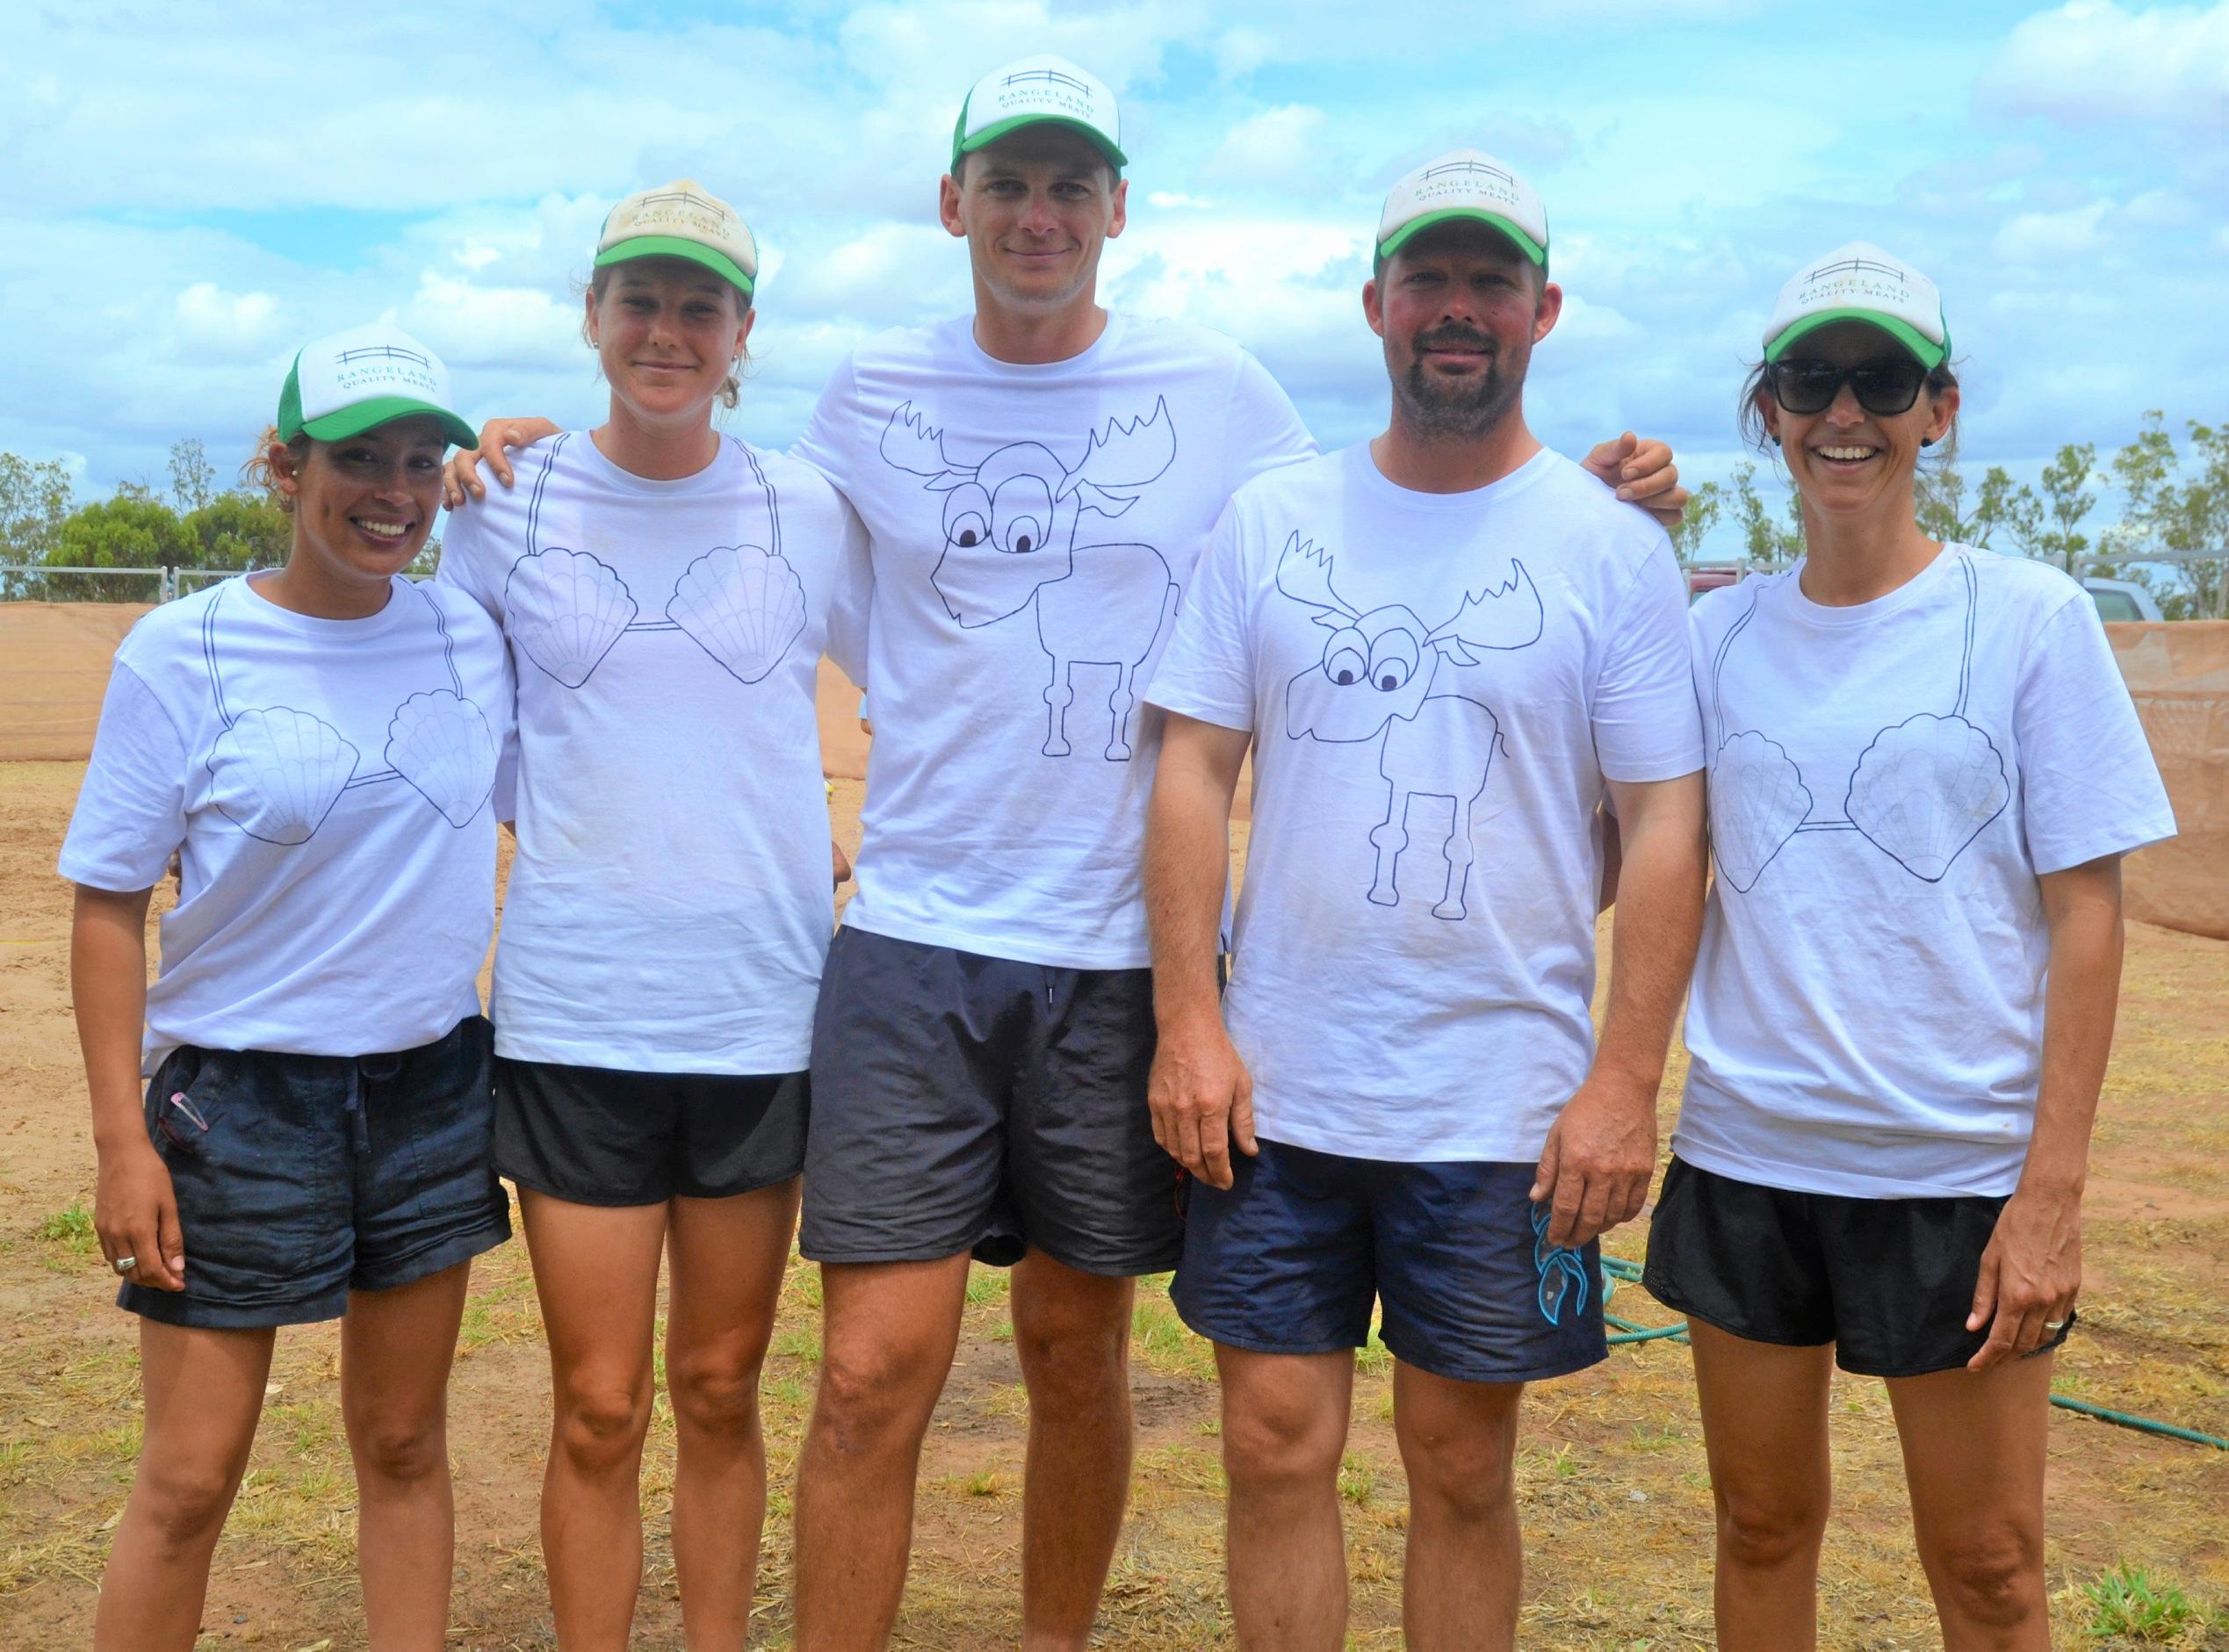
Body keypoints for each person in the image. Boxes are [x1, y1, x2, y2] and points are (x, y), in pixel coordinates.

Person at [448, 58, 1686, 1648]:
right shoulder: (865, 397)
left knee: (1071, 1352)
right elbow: (712, 525)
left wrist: (1597, 492)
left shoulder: (1223, 395)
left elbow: (1396, 512)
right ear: (953, 204)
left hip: (1115, 956)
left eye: (1070, 187)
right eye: (1008, 185)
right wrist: (546, 462)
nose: (1038, 216)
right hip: (912, 937)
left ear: (1117, 211)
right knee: (873, 1367)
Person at [1143, 151, 1707, 1650]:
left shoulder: (1609, 551)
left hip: (1501, 1110)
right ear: (1376, 302)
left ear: (1543, 309)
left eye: (1490, 283)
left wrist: (1620, 1083)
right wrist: (1187, 1024)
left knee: (1462, 1466)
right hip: (1279, 1093)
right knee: (1271, 1448)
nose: (1457, 311)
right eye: (1430, 281)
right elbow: (1192, 770)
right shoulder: (1273, 521)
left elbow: (1663, 824)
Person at [1641, 244, 2175, 1651]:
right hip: (1750, 1158)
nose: (1843, 414)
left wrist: (2047, 1191)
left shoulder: (2029, 622)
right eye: (1810, 379)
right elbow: (1652, 867)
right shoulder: (1715, 638)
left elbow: (2086, 914)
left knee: (1990, 1564)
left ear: (1936, 408)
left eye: (1880, 380)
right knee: (1759, 1527)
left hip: (1955, 1171)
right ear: (1769, 410)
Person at [434, 182, 869, 1648]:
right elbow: (460, 720)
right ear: (592, 316)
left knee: (720, 1386)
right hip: (578, 1012)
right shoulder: (500, 505)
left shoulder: (807, 504)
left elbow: (940, 671)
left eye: (699, 306)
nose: (665, 331)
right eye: (639, 300)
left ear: (743, 331)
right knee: (602, 1401)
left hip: (757, 1010)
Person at [64, 327, 511, 1652]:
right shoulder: (182, 649)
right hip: (237, 1105)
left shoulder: (465, 632)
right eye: (356, 456)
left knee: (403, 1440)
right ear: (283, 464)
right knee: (190, 1478)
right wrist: (119, 1138)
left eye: (420, 459)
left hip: (431, 1087)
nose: (392, 489)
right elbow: (106, 903)